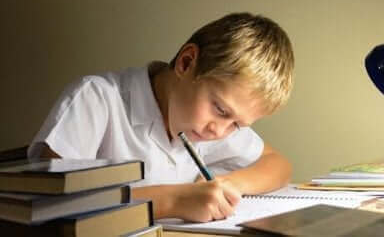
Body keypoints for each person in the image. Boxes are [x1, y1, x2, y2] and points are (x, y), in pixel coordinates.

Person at [28, 12, 294, 222]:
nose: (220, 131)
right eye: (221, 110)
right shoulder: (96, 98)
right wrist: (172, 202)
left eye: (237, 124)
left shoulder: (209, 127)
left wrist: (228, 184)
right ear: (186, 63)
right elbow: (50, 201)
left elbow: (279, 165)